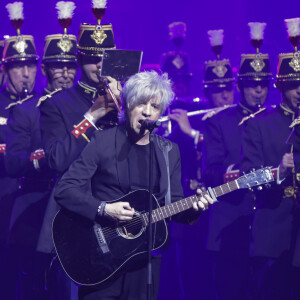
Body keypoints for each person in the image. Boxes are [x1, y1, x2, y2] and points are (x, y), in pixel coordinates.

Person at [54, 71, 213, 300]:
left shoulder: (169, 151)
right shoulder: (103, 141)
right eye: (141, 103)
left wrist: (194, 207)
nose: (147, 111)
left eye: (155, 106)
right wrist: (103, 209)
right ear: (128, 105)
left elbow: (174, 203)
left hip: (144, 262)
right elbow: (65, 189)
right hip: (99, 256)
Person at [4, 2, 78, 298]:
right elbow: (12, 162)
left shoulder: (85, 109)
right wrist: (45, 159)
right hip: (37, 207)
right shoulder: (26, 111)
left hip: (77, 211)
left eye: (70, 65)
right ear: (46, 70)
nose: (64, 73)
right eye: (57, 66)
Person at [202, 22, 272, 300]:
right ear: (241, 86)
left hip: (269, 226)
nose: (259, 91)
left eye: (263, 85)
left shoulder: (276, 120)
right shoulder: (219, 122)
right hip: (230, 223)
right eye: (253, 85)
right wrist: (244, 175)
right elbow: (211, 172)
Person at [240, 19, 300, 299]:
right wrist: (277, 172)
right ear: (280, 86)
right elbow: (247, 177)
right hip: (273, 236)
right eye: (293, 84)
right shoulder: (260, 124)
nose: (299, 90)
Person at [0, 2, 39, 298]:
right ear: (6, 69)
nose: (25, 74)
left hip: (32, 205)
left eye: (30, 66)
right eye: (18, 66)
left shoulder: (45, 105)